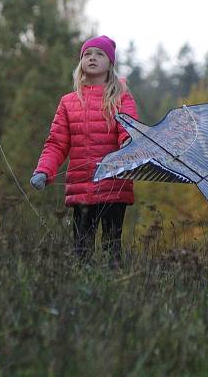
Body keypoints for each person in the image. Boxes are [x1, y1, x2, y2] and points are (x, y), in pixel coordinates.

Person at [30, 35, 138, 264]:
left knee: (112, 251)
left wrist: (129, 144)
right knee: (81, 253)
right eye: (87, 54)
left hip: (114, 187)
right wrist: (44, 170)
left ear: (110, 63)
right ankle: (83, 296)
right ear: (81, 63)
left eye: (100, 54)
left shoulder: (122, 98)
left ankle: (114, 297)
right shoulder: (68, 102)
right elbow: (56, 143)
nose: (92, 58)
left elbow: (129, 132)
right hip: (81, 188)